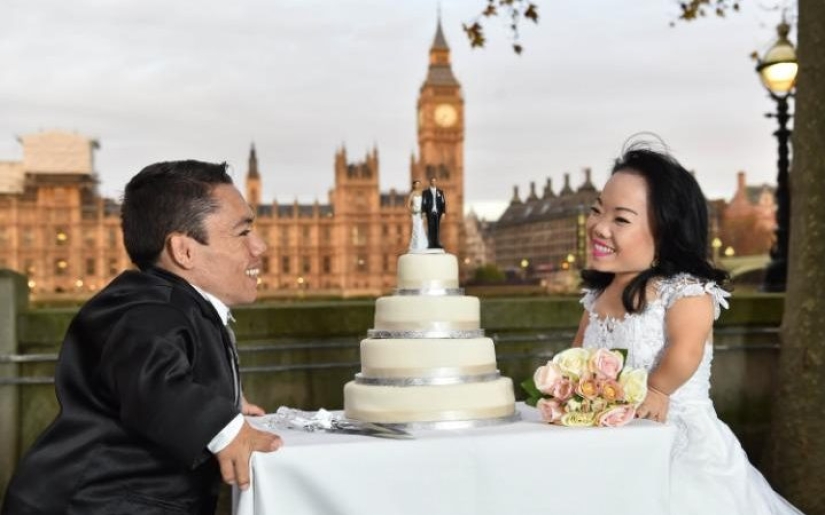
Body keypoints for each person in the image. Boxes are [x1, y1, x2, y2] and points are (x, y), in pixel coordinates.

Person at [2, 160, 282, 515]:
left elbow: (161, 375)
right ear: (184, 251)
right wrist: (225, 429)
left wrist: (226, 400)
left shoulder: (177, 304)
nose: (260, 247)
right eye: (243, 232)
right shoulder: (143, 308)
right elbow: (150, 374)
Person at [573, 145, 804, 514]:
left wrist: (657, 389)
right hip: (610, 437)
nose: (599, 227)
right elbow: (580, 350)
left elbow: (686, 349)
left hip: (675, 436)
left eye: (620, 219)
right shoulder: (599, 293)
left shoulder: (684, 290)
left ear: (665, 230)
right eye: (597, 210)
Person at [421, 176, 446, 249]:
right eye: (432, 181)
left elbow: (443, 202)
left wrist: (444, 212)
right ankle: (430, 243)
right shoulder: (425, 192)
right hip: (430, 212)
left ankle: (436, 243)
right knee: (430, 228)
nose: (433, 182)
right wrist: (423, 211)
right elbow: (424, 202)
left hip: (438, 212)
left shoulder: (440, 192)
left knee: (437, 228)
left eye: (434, 181)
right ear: (430, 182)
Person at [407, 180, 428, 252]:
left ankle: (422, 245)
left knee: (421, 227)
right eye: (416, 184)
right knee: (416, 228)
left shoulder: (422, 193)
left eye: (419, 184)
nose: (418, 186)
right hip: (415, 214)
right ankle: (416, 246)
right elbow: (408, 205)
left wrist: (424, 212)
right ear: (414, 186)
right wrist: (413, 210)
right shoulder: (412, 194)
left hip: (421, 213)